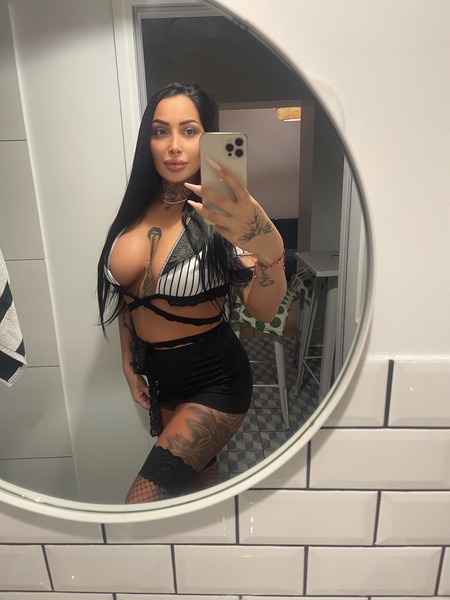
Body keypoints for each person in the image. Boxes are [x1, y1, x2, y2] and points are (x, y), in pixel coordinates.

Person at [97, 82, 286, 503]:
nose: (174, 145)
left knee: (139, 505)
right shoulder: (133, 212)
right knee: (195, 492)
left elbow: (261, 309)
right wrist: (128, 365)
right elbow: (127, 300)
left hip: (216, 381)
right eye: (160, 131)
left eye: (189, 130)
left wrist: (270, 252)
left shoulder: (224, 216)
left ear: (208, 139)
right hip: (163, 381)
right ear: (147, 140)